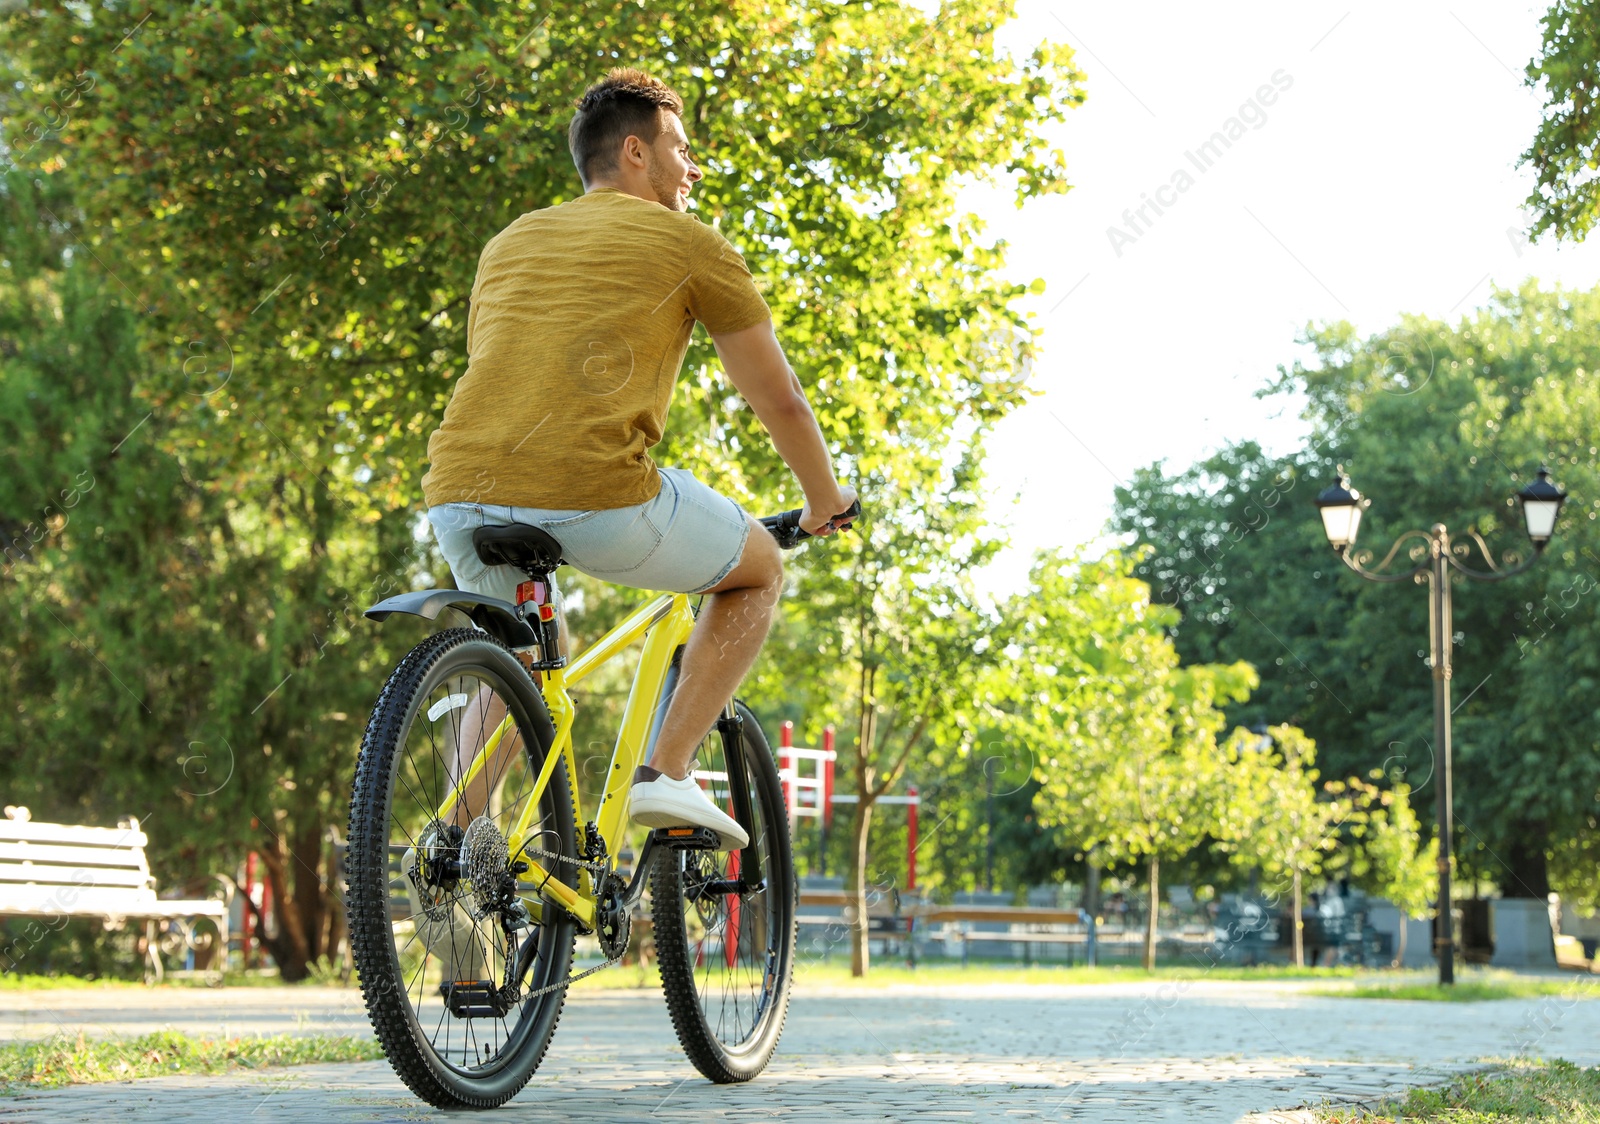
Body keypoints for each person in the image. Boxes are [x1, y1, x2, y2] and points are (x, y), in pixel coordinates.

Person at [420, 67, 856, 852]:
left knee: (520, 662)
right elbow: (780, 396)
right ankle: (667, 772)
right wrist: (824, 500)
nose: (693, 169)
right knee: (756, 569)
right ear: (633, 153)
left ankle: (450, 853)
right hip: (593, 495)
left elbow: (508, 370)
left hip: (459, 491)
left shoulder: (509, 241)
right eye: (681, 151)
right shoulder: (688, 242)